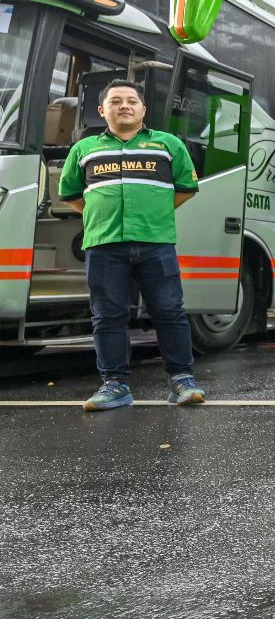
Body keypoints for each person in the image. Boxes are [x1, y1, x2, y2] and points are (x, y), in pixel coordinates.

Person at [59, 79, 204, 411]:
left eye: (131, 101)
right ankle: (115, 385)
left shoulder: (168, 145)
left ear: (143, 109)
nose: (124, 105)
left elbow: (185, 188)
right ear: (102, 111)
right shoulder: (84, 149)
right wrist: (99, 215)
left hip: (156, 243)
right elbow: (70, 194)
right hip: (104, 245)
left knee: (169, 312)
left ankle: (183, 380)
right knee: (108, 316)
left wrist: (152, 213)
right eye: (115, 101)